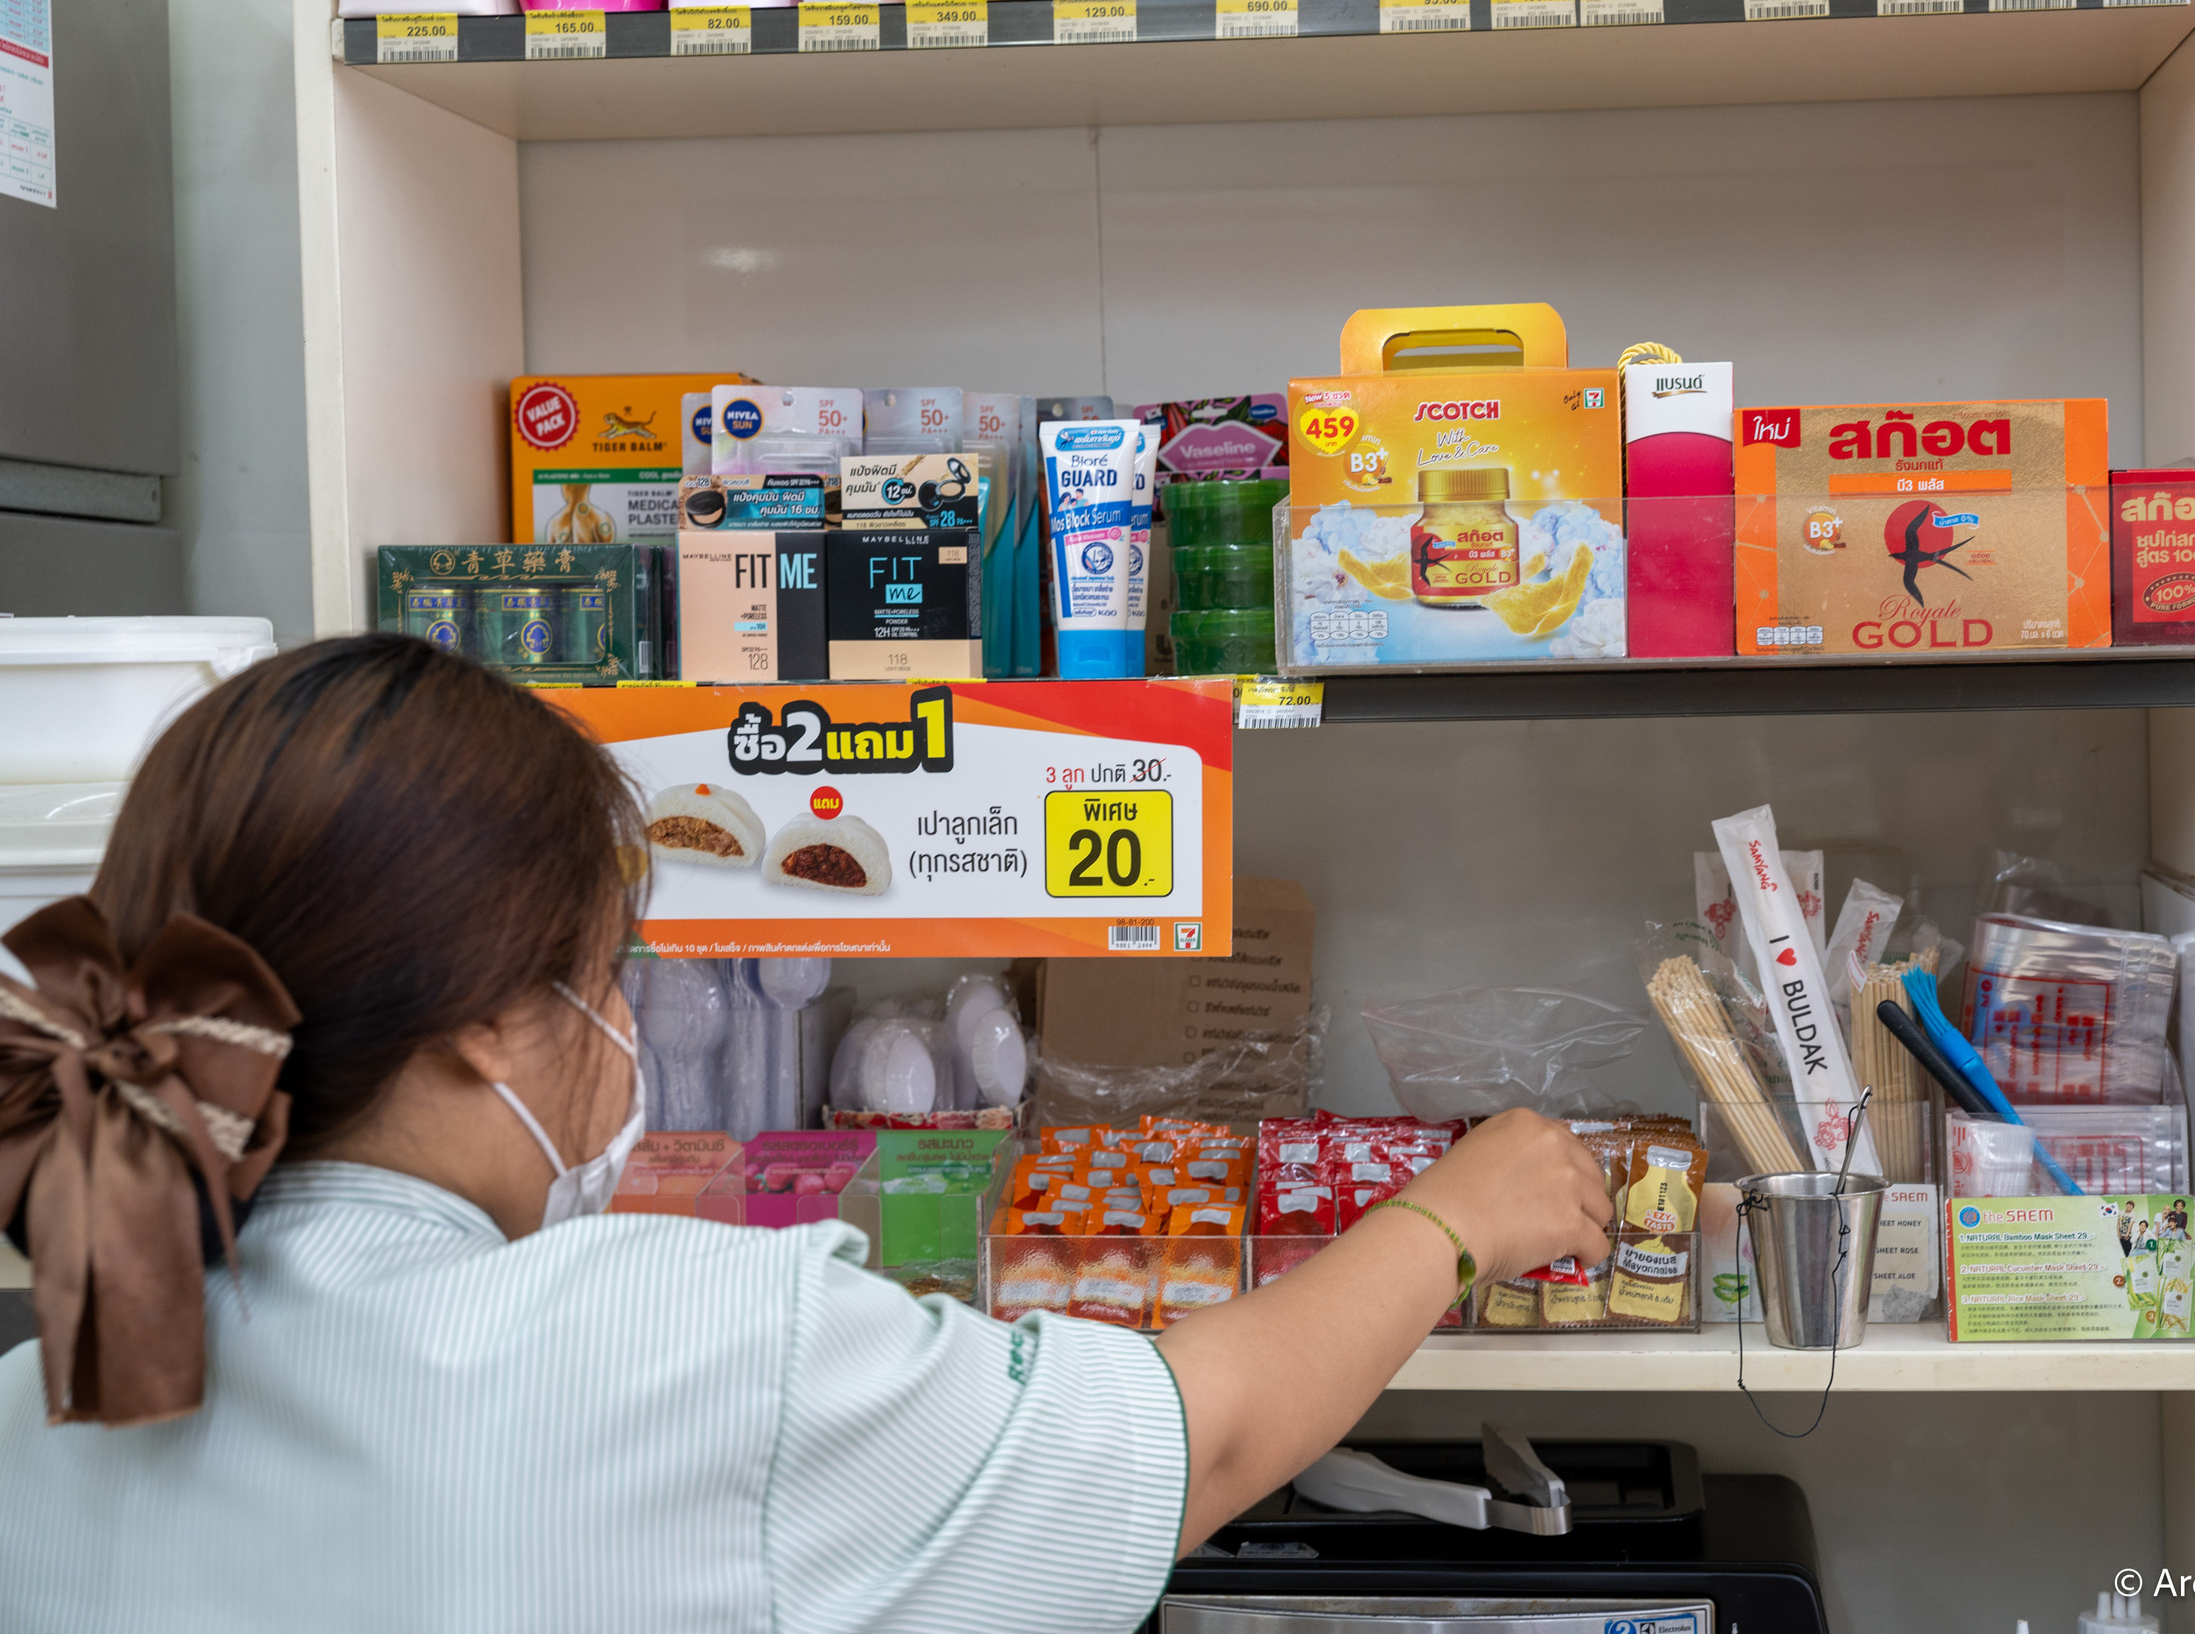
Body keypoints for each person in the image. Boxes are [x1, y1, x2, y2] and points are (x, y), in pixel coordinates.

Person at [0, 635, 1612, 1632]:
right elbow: (1202, 1446)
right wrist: (1456, 1214)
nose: (625, 1022)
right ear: (489, 1020)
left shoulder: (47, 1389)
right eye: (605, 967)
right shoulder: (686, 1340)